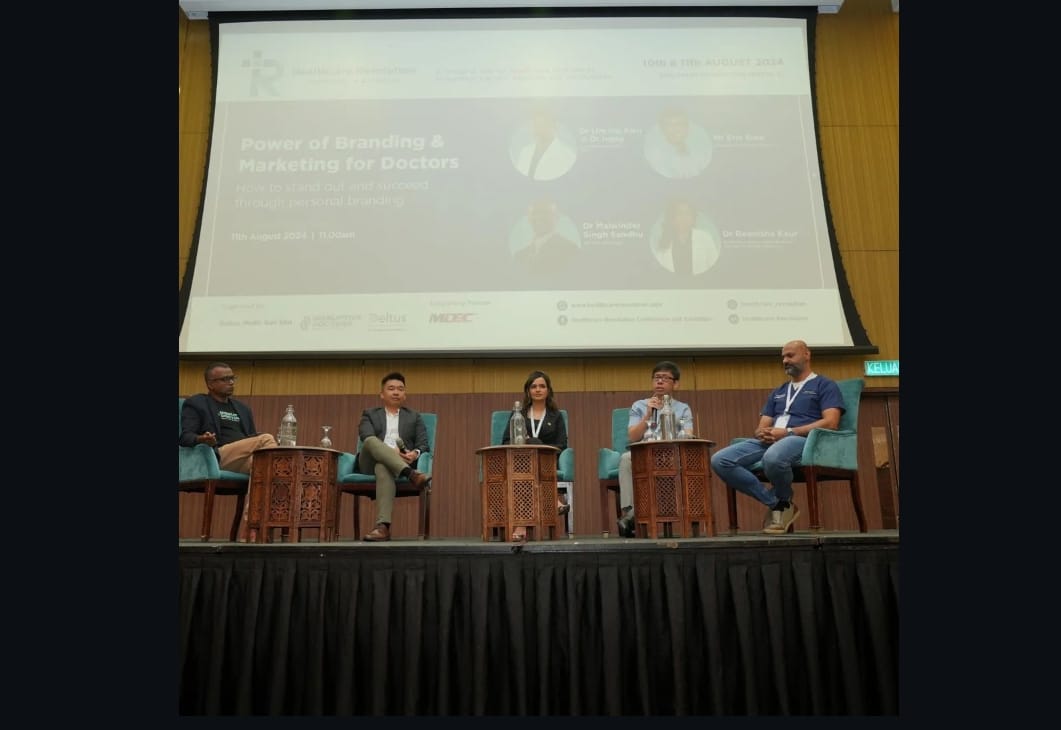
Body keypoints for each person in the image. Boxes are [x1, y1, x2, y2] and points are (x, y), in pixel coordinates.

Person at [710, 340, 845, 534]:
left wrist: (790, 432)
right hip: (773, 440)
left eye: (790, 356)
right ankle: (778, 503)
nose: (785, 360)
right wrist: (762, 433)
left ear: (807, 355)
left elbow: (831, 422)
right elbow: (762, 426)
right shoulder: (779, 391)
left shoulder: (825, 385)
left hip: (804, 440)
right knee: (720, 460)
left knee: (772, 457)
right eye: (783, 357)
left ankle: (781, 504)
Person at [179, 362, 278, 540]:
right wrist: (203, 439)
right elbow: (185, 437)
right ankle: (256, 527)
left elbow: (250, 436)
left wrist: (257, 438)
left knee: (266, 467)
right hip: (217, 455)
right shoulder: (197, 403)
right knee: (267, 440)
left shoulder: (242, 409)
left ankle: (251, 528)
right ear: (210, 384)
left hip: (241, 458)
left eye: (232, 378)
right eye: (225, 379)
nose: (231, 382)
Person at [616, 361, 694, 538]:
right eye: (657, 378)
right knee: (626, 459)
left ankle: (632, 517)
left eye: (665, 378)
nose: (660, 382)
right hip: (644, 454)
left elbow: (688, 434)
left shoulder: (683, 408)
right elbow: (633, 437)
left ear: (676, 384)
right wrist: (647, 415)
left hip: (671, 455)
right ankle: (628, 511)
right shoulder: (639, 405)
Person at [355, 372, 432, 542]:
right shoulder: (369, 414)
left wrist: (414, 453)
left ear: (405, 395)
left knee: (383, 467)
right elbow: (365, 437)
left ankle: (383, 527)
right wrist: (392, 451)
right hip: (369, 462)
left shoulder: (414, 416)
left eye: (400, 389)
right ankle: (411, 475)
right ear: (382, 394)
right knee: (370, 440)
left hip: (394, 465)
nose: (396, 392)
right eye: (391, 389)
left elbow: (423, 443)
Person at [501, 370, 570, 542]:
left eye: (542, 386)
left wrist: (539, 446)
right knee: (527, 464)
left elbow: (562, 444)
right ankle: (555, 501)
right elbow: (506, 440)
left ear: (548, 390)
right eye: (534, 386)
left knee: (534, 446)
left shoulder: (556, 415)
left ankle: (521, 525)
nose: (538, 390)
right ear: (528, 391)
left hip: (548, 460)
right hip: (519, 461)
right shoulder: (519, 413)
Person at [651, 199, 721, 275]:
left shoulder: (705, 238)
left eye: (687, 213)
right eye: (679, 213)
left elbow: (715, 267)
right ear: (672, 218)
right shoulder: (664, 241)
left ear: (693, 218)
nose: (683, 217)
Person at [643, 107, 713, 179]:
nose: (676, 128)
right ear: (662, 129)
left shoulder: (701, 153)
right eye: (669, 125)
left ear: (687, 127)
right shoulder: (655, 154)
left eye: (680, 124)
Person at [512, 200, 580, 274]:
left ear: (556, 218)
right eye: (534, 213)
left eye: (545, 213)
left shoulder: (570, 250)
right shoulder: (519, 256)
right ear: (529, 218)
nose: (539, 217)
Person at [513, 109, 577, 181]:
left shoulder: (567, 156)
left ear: (553, 126)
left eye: (542, 125)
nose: (538, 130)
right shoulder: (525, 152)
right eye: (536, 125)